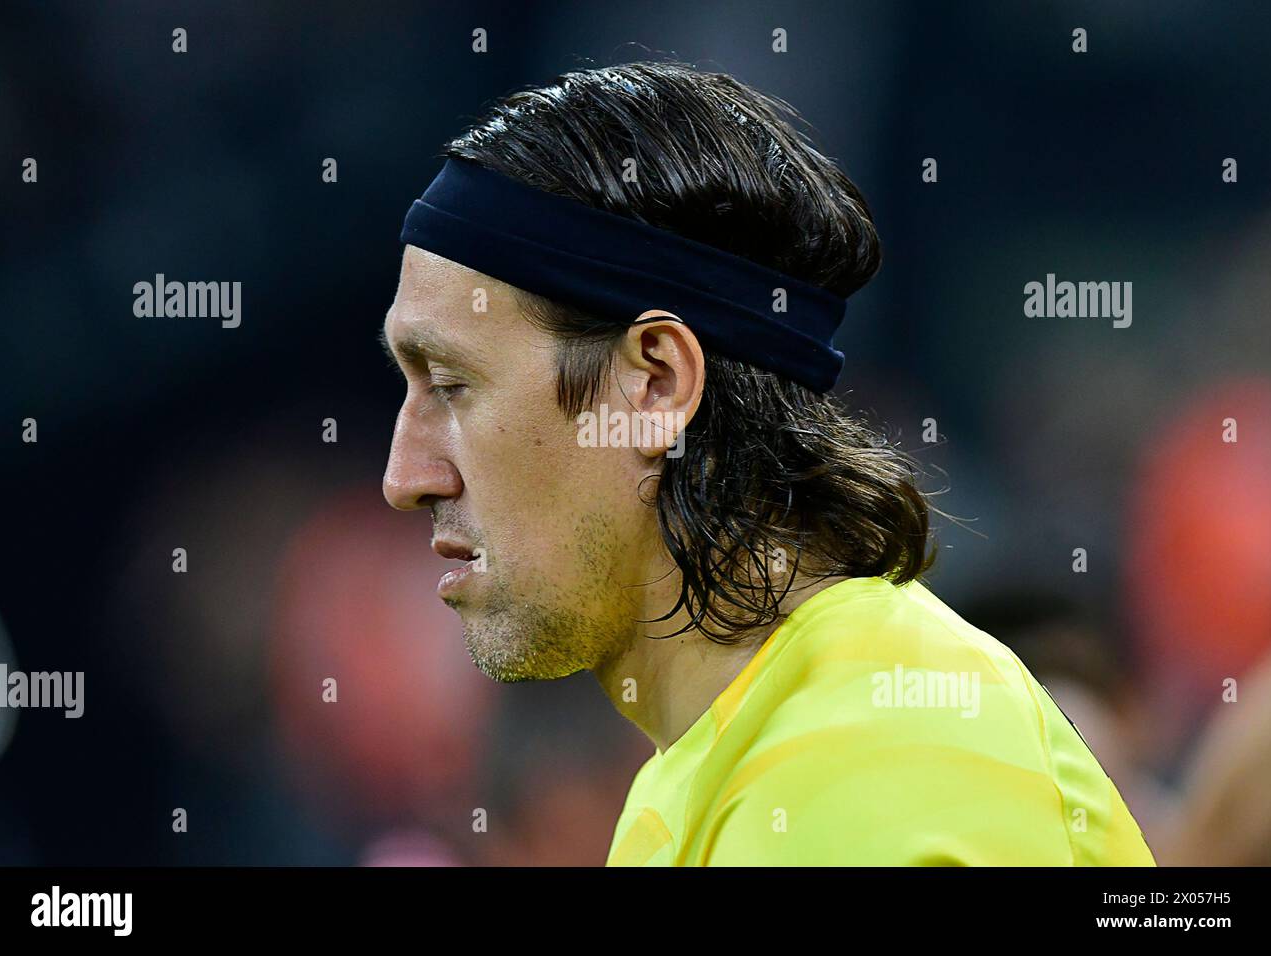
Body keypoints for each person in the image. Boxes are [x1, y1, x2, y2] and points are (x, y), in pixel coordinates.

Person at [380, 61, 1155, 866]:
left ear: (654, 384)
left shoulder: (880, 764)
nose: (406, 477)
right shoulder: (711, 770)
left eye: (452, 385)